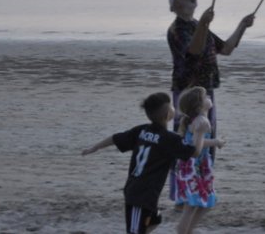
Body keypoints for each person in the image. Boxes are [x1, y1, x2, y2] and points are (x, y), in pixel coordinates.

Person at [167, 0, 254, 198]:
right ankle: (180, 193)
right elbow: (194, 52)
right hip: (186, 93)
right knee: (185, 141)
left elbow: (226, 49)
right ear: (177, 3)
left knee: (206, 138)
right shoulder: (176, 29)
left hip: (206, 92)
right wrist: (204, 24)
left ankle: (202, 188)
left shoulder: (197, 24)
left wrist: (242, 25)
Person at [82, 92, 209, 234]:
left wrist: (95, 147)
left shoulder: (141, 130)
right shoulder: (169, 139)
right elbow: (195, 152)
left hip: (144, 193)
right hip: (140, 196)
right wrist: (200, 132)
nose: (174, 108)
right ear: (167, 115)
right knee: (135, 231)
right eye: (172, 106)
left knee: (156, 219)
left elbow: (115, 138)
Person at [173, 86, 226, 234]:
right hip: (194, 168)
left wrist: (215, 141)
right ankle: (183, 231)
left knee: (205, 203)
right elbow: (196, 149)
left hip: (193, 167)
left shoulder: (195, 120)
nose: (209, 96)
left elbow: (196, 141)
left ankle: (188, 230)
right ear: (199, 105)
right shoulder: (202, 122)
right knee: (191, 206)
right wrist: (216, 142)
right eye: (205, 96)